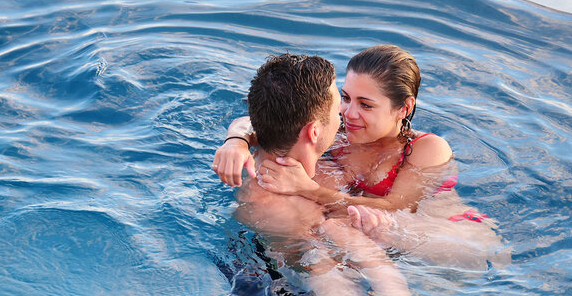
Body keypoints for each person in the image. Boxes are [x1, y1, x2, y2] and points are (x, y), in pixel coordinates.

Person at [213, 44, 504, 270]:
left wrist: (308, 189)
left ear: (403, 108)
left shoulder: (426, 149)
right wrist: (236, 140)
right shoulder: (341, 132)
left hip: (447, 242)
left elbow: (393, 207)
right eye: (346, 98)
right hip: (366, 237)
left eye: (365, 105)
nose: (349, 113)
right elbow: (279, 122)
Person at [233, 53, 434, 296]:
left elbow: (256, 118)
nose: (345, 114)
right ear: (314, 131)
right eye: (341, 101)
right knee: (328, 246)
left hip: (253, 265)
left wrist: (234, 141)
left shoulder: (267, 156)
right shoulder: (298, 202)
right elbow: (328, 263)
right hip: (298, 286)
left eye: (364, 104)